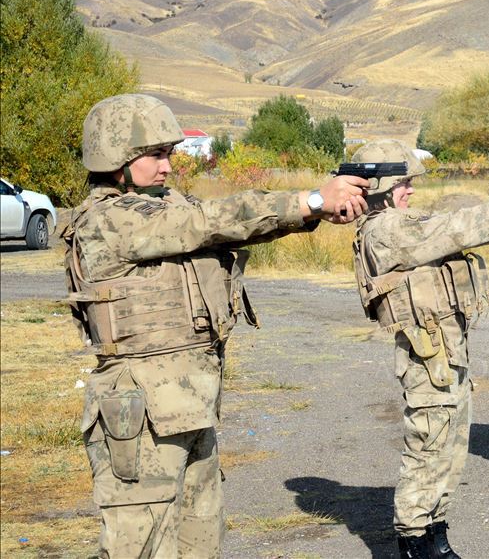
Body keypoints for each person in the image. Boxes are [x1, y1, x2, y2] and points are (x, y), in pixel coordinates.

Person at [63, 94, 369, 558]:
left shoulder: (161, 206)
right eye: (155, 154)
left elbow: (230, 225)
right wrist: (309, 198)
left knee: (200, 543)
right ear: (115, 158)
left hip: (189, 407)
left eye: (169, 154)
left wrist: (314, 212)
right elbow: (206, 221)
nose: (167, 166)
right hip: (140, 417)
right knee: (139, 548)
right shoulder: (109, 220)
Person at [349, 139, 489, 558]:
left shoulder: (402, 222)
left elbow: (455, 221)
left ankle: (435, 530)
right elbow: (455, 228)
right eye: (404, 183)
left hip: (446, 351)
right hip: (426, 354)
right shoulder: (385, 228)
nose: (410, 190)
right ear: (381, 186)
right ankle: (414, 539)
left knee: (450, 445)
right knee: (429, 445)